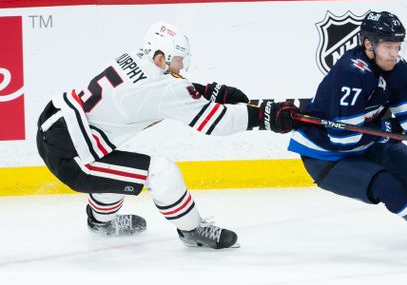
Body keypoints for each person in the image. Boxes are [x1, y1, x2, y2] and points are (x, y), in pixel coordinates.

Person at [35, 22, 297, 249]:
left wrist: (207, 91)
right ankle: (192, 231)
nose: (182, 65)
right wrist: (265, 117)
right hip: (75, 155)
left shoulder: (134, 56)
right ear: (160, 57)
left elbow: (158, 90)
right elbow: (215, 122)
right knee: (161, 171)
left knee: (112, 170)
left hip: (55, 126)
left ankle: (98, 222)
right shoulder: (166, 88)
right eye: (178, 58)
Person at [283, 11, 407, 252]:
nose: (394, 53)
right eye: (388, 46)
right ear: (369, 44)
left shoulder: (398, 69)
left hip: (366, 143)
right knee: (388, 186)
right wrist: (387, 127)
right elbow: (345, 139)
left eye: (398, 46)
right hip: (327, 156)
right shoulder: (350, 73)